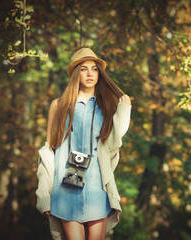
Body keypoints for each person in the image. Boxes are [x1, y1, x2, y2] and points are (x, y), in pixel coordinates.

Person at [36, 48, 131, 240]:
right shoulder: (59, 105)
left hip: (97, 185)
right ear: (75, 73)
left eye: (94, 69)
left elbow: (113, 144)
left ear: (99, 74)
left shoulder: (108, 106)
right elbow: (48, 153)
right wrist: (43, 194)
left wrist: (124, 110)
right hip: (65, 187)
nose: (89, 74)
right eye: (84, 69)